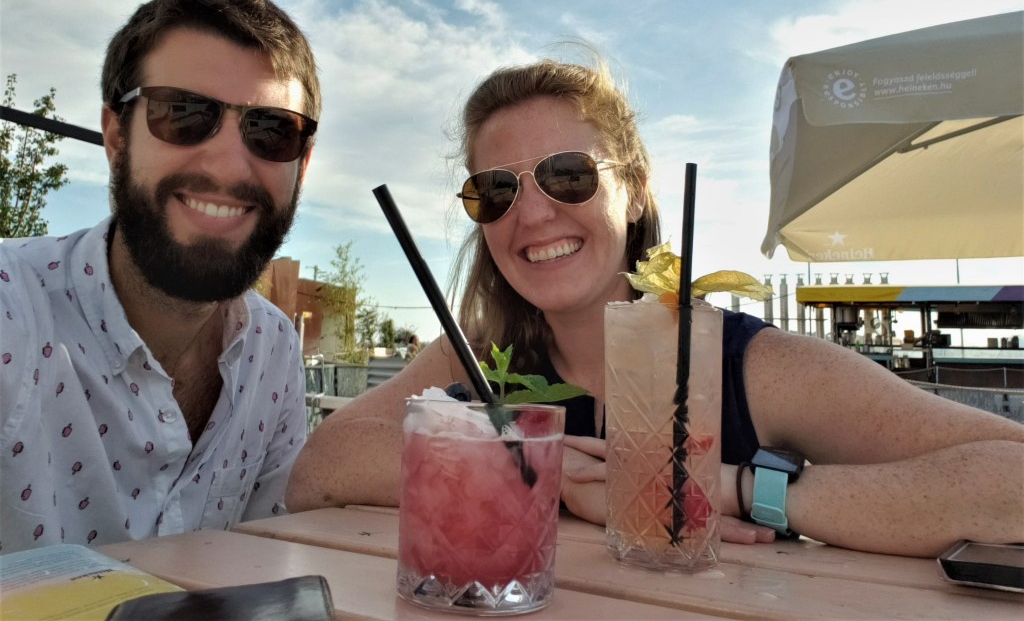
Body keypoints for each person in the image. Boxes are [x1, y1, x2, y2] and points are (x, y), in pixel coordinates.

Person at [285, 55, 1023, 558]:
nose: (532, 214)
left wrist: (733, 489)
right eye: (496, 190)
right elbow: (316, 471)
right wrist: (535, 470)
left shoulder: (743, 364)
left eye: (568, 174)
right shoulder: (476, 357)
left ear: (635, 190)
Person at [0, 0, 321, 553]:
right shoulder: (11, 310)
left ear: (304, 162)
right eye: (184, 113)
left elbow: (260, 570)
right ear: (116, 136)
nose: (229, 166)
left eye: (272, 131)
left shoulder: (273, 349)